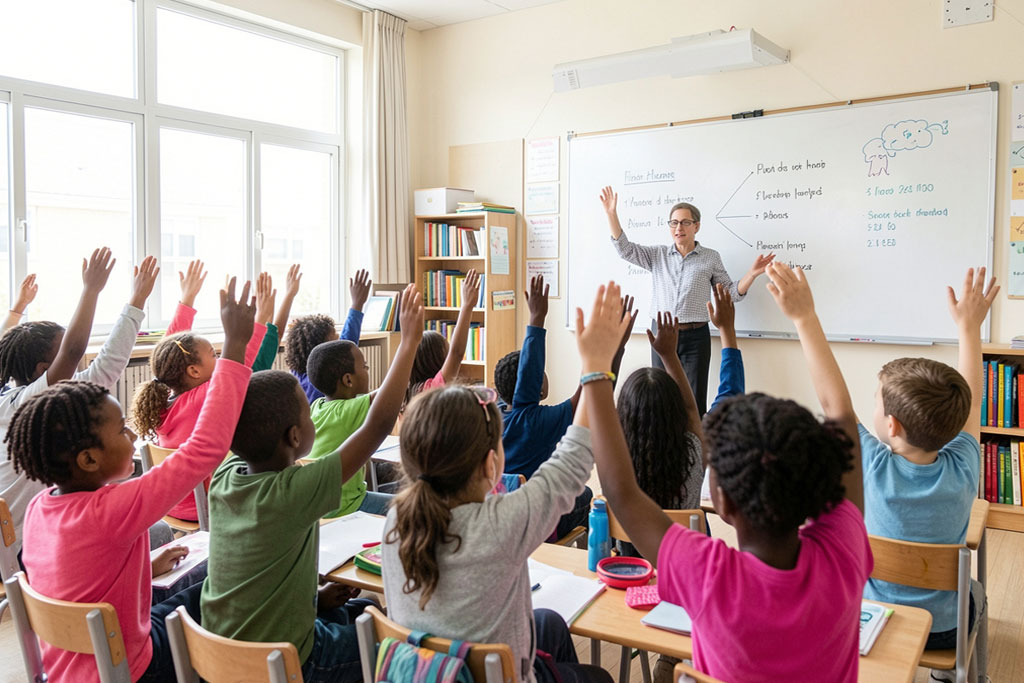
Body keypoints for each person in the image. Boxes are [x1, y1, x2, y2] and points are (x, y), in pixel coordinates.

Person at [584, 268, 870, 683]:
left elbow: (620, 491)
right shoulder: (842, 554)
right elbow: (842, 415)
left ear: (720, 499)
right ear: (816, 484)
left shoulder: (709, 575)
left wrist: (597, 365)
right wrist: (805, 319)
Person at [9, 277, 255, 683]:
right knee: (223, 588)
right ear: (88, 459)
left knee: (194, 585)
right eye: (122, 430)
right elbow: (205, 448)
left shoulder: (41, 507)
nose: (131, 435)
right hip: (133, 668)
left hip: (70, 668)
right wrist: (233, 348)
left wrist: (146, 562)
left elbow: (79, 576)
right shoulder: (114, 509)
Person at [200, 284, 422, 683]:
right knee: (397, 646)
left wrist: (234, 345)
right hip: (288, 662)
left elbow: (222, 415)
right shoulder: (294, 490)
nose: (312, 413)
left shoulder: (223, 477)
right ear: (294, 437)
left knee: (361, 610)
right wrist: (408, 343)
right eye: (307, 412)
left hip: (219, 653)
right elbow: (378, 425)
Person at [381, 387, 612, 683]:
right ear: (491, 464)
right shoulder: (501, 524)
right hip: (495, 675)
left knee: (550, 623)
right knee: (597, 677)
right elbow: (572, 463)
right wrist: (596, 370)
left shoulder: (395, 521)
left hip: (425, 672)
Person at [860, 267, 995, 679]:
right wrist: (969, 328)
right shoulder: (963, 466)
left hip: (874, 618)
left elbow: (833, 406)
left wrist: (804, 320)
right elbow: (972, 406)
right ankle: (954, 675)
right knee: (975, 592)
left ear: (892, 426)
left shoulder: (872, 465)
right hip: (943, 633)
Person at [0, 249, 158, 558]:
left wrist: (18, 310)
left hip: (18, 543)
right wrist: (93, 291)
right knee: (160, 530)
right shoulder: (32, 403)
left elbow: (101, 364)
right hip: (31, 549)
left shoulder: (10, 399)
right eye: (59, 358)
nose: (73, 362)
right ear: (43, 371)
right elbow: (75, 352)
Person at [599, 185, 773, 414]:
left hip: (695, 338)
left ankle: (693, 447)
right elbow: (625, 250)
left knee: (693, 401)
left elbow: (730, 294)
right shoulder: (657, 255)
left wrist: (751, 275)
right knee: (660, 398)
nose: (678, 227)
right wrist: (612, 214)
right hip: (662, 333)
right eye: (674, 222)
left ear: (696, 226)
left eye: (684, 222)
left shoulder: (710, 257)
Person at [493, 275, 634, 538]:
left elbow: (524, 390)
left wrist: (536, 318)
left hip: (503, 519)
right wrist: (616, 348)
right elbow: (591, 396)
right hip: (538, 522)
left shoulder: (494, 416)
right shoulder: (538, 421)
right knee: (588, 495)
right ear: (537, 385)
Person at [130, 260, 268, 522]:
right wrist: (257, 322)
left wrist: (187, 299)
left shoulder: (162, 397)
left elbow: (167, 349)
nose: (220, 360)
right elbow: (240, 363)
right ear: (193, 371)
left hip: (172, 505)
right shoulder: (201, 397)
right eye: (214, 355)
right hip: (205, 507)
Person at [285, 269, 372, 403]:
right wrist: (357, 305)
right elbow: (347, 343)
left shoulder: (296, 377)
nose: (340, 343)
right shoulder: (322, 382)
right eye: (335, 341)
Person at [405, 269, 481, 406]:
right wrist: (466, 306)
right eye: (446, 351)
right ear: (437, 360)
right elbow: (456, 352)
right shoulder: (431, 390)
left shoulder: (408, 390)